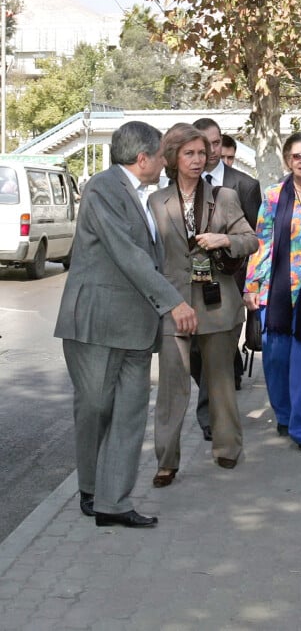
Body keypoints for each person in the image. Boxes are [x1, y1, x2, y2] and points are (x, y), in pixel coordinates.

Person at [54, 121, 198, 529]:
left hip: (136, 326)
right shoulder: (103, 188)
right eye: (161, 156)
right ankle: (90, 487)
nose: (164, 163)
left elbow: (151, 258)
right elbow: (127, 254)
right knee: (96, 409)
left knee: (130, 414)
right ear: (143, 158)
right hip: (97, 324)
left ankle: (112, 503)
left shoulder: (144, 196)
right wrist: (174, 303)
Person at [149, 123, 258, 482]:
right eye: (189, 153)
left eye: (201, 153)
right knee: (171, 387)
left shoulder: (223, 197)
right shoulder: (156, 201)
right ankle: (166, 460)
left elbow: (250, 240)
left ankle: (227, 449)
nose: (198, 160)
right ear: (173, 158)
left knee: (220, 383)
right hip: (174, 305)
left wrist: (224, 240)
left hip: (217, 303)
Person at [244, 132, 301, 456]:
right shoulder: (272, 196)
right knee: (277, 359)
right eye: (297, 156)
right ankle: (284, 413)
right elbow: (261, 242)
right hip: (277, 291)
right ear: (287, 160)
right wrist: (252, 287)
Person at [190, 117, 262, 439]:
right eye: (205, 144)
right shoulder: (182, 185)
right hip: (190, 286)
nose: (212, 150)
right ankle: (223, 386)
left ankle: (211, 417)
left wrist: (250, 285)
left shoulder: (243, 186)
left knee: (217, 350)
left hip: (229, 284)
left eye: (217, 142)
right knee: (195, 353)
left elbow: (254, 240)